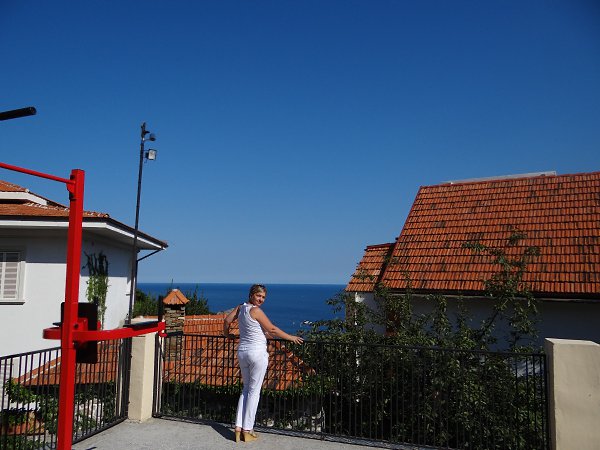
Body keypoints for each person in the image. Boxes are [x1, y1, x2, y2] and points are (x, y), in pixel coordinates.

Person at [223, 284, 304, 443]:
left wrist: (227, 335)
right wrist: (291, 338)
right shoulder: (256, 311)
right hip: (257, 353)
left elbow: (227, 320)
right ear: (251, 295)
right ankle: (247, 430)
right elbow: (272, 329)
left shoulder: (240, 308)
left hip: (243, 352)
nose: (261, 299)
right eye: (258, 296)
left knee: (246, 389)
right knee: (254, 392)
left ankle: (238, 428)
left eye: (263, 297)